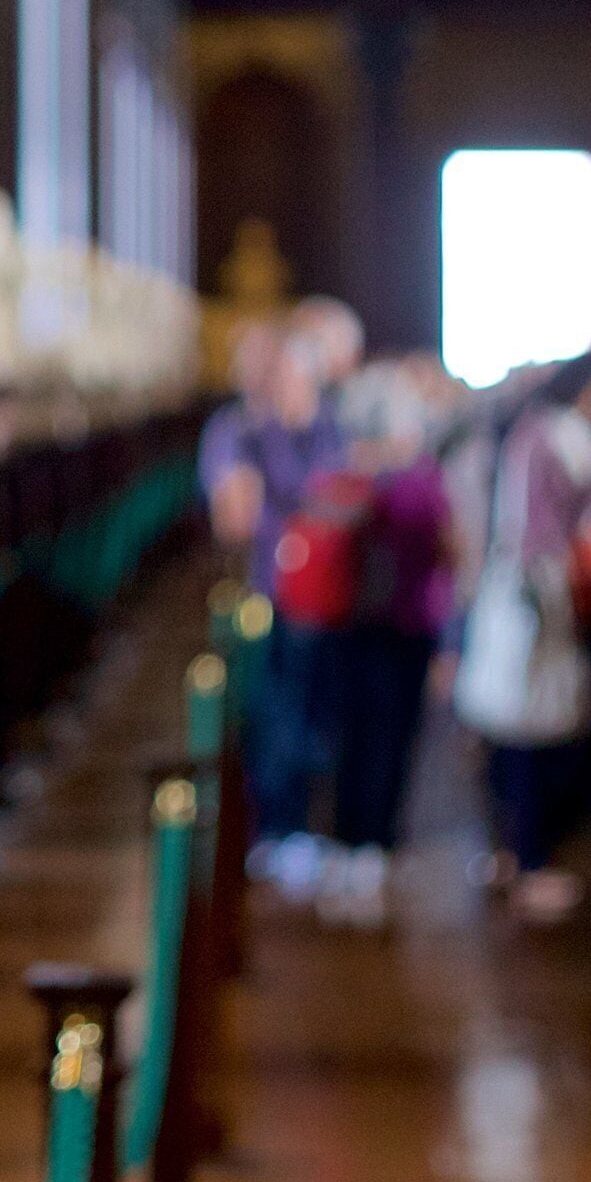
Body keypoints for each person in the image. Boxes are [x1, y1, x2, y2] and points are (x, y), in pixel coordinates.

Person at [470, 355, 591, 923]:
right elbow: (589, 515)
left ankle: (511, 851)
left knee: (513, 727)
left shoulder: (528, 429)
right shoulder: (561, 435)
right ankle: (530, 860)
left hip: (517, 587)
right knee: (535, 726)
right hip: (541, 596)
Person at [204, 317, 350, 900]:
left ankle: (305, 829)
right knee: (275, 715)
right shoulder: (240, 431)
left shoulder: (324, 427)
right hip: (270, 595)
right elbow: (235, 516)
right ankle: (274, 830)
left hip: (326, 595)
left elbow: (345, 493)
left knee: (318, 713)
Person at [303, 376, 455, 929]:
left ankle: (348, 840)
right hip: (402, 627)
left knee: (353, 734)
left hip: (352, 626)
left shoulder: (342, 481)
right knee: (390, 736)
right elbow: (446, 551)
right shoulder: (418, 485)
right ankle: (375, 843)